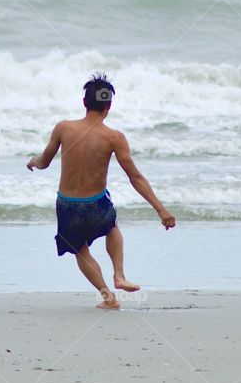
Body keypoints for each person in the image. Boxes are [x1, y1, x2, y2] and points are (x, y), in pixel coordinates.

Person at [26, 73, 176, 309]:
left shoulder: (64, 128)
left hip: (67, 204)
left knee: (80, 250)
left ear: (84, 102)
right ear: (109, 106)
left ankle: (108, 296)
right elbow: (135, 177)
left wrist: (33, 161)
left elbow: (44, 161)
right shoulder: (114, 137)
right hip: (97, 203)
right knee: (111, 227)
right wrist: (161, 210)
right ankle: (119, 275)